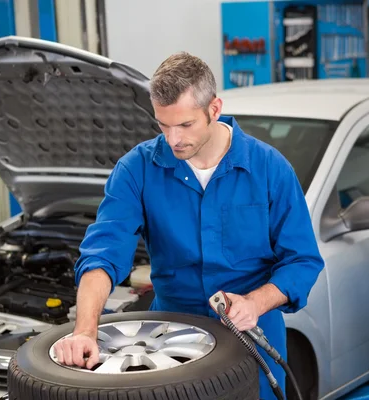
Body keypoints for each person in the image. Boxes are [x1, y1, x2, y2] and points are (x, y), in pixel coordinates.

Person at [53, 52, 325, 399]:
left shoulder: (270, 170)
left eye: (185, 125)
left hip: (253, 336)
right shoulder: (136, 169)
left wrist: (255, 303)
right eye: (163, 125)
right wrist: (85, 329)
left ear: (214, 109)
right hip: (168, 338)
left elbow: (302, 261)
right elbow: (103, 254)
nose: (173, 139)